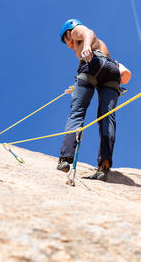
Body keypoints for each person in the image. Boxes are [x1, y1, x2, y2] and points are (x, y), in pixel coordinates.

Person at [56, 19, 123, 181]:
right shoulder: (101, 44)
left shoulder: (76, 31)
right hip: (112, 71)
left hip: (92, 64)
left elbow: (88, 32)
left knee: (77, 110)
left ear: (68, 33)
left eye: (65, 40)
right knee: (107, 117)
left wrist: (85, 46)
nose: (67, 44)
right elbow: (115, 70)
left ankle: (66, 159)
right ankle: (104, 165)